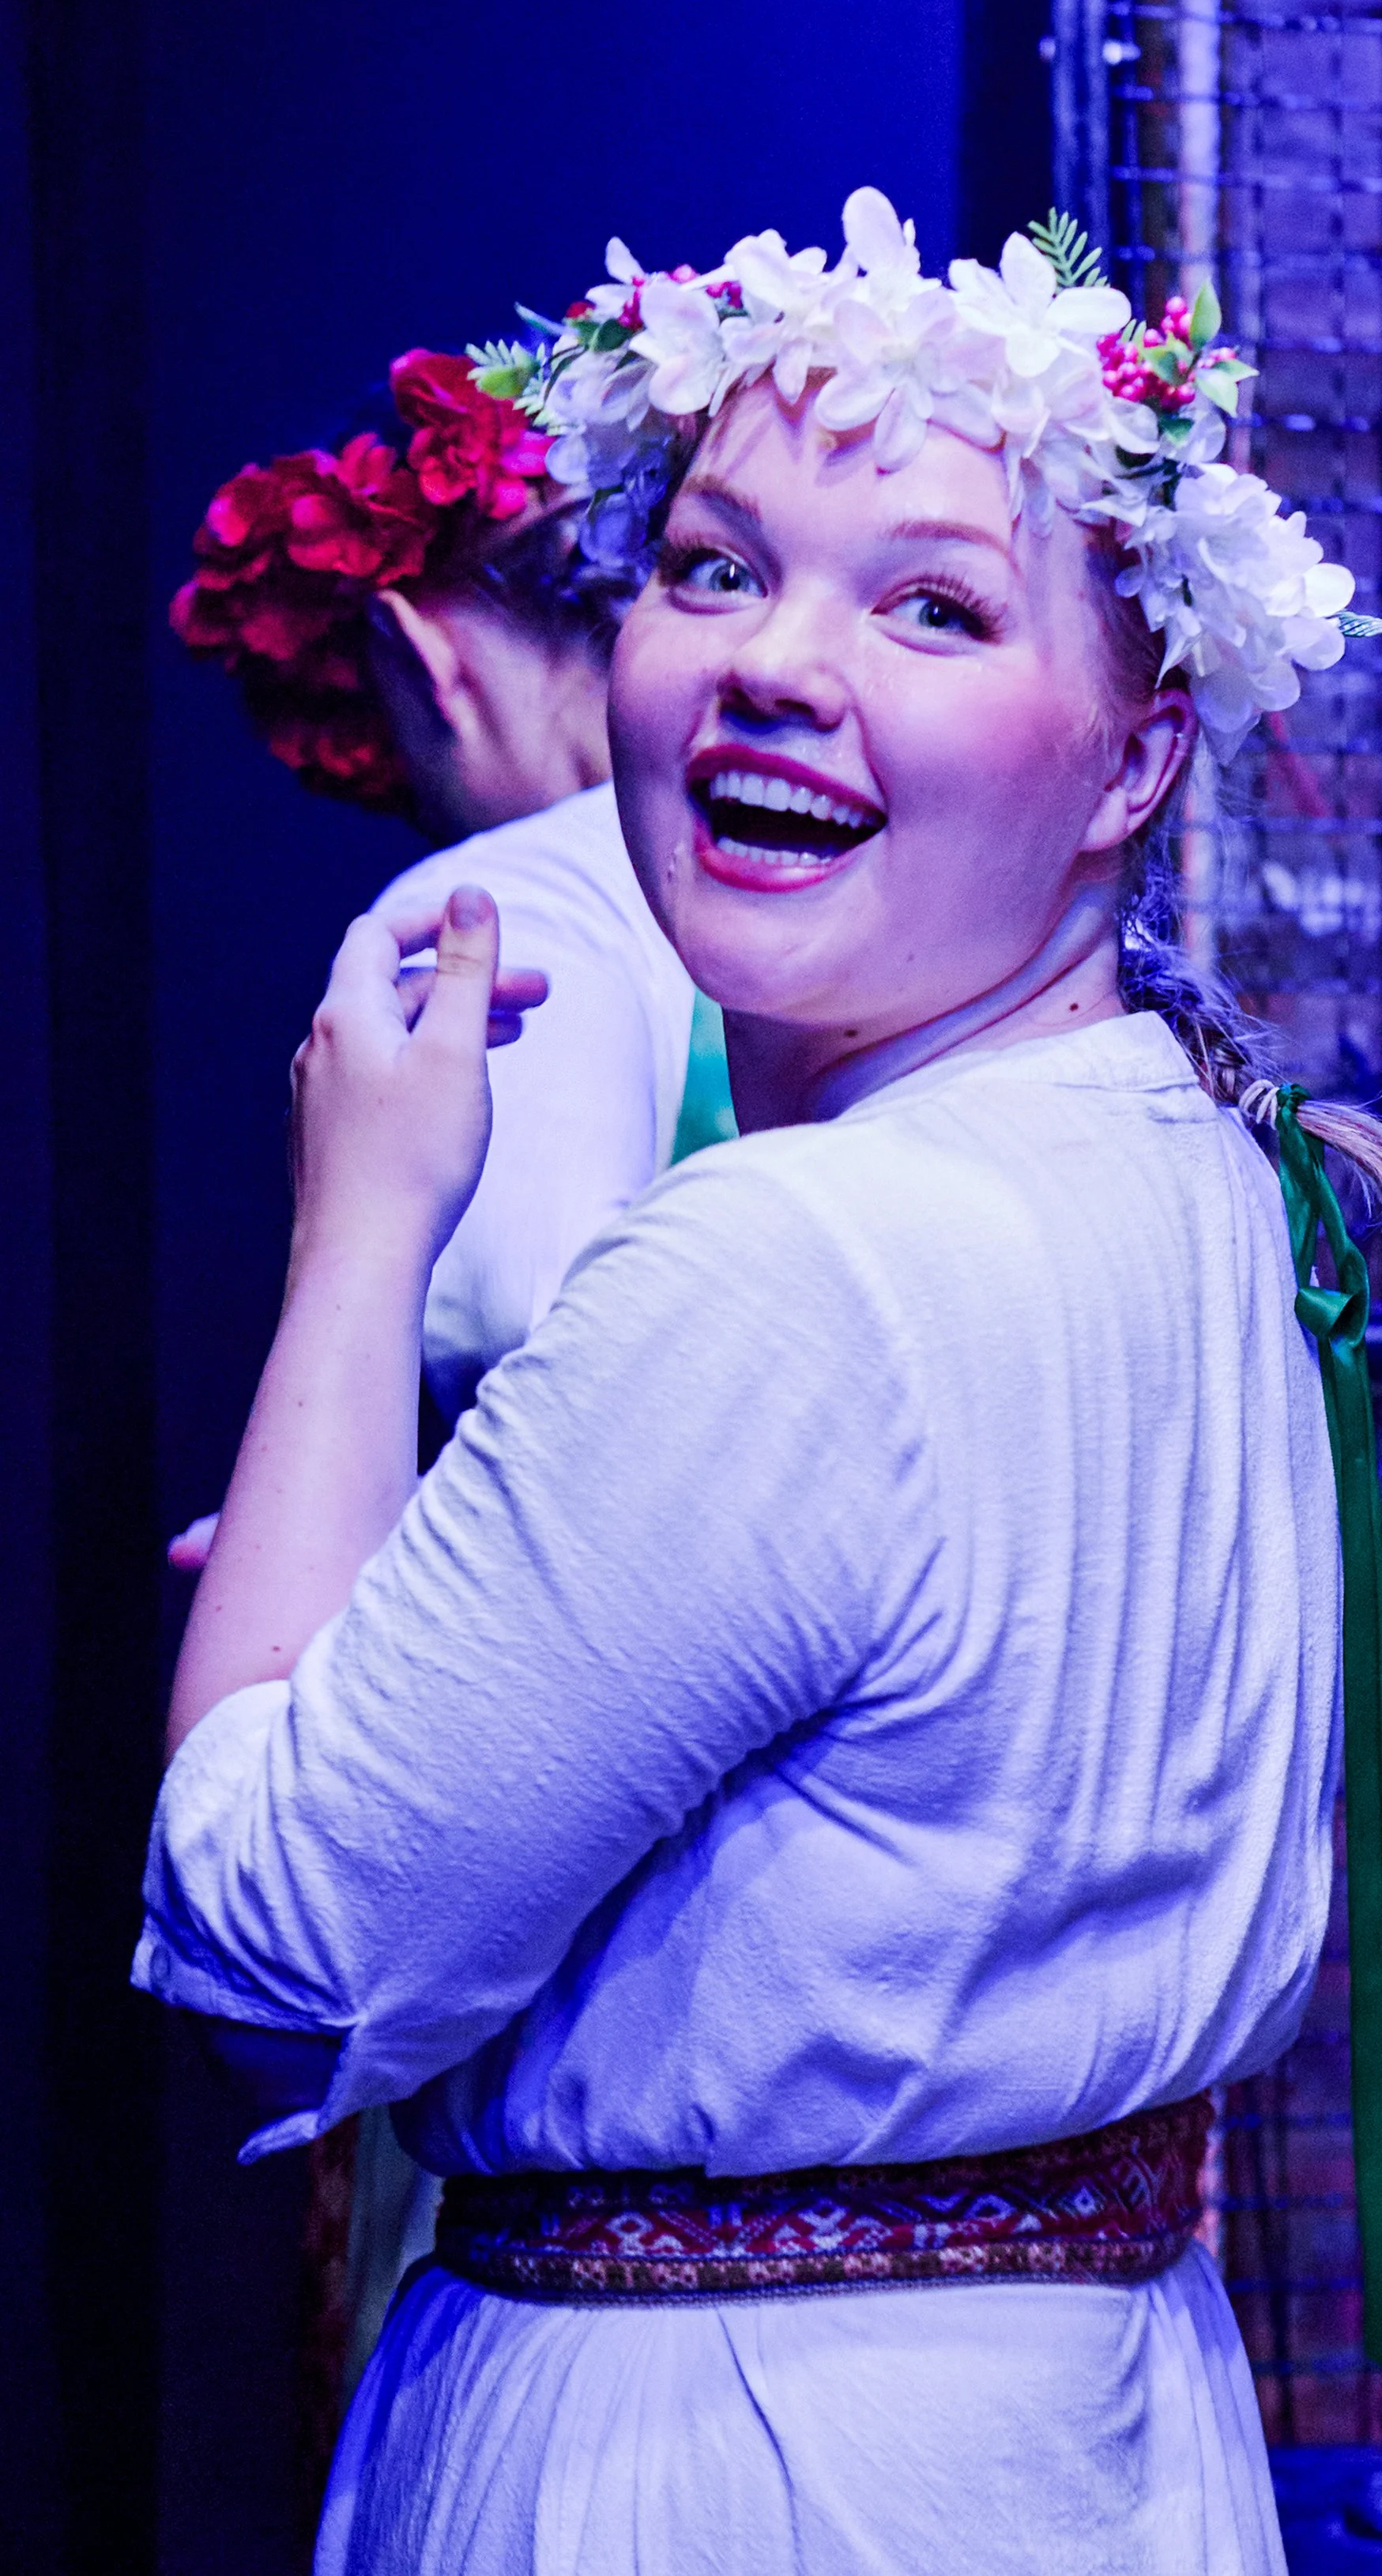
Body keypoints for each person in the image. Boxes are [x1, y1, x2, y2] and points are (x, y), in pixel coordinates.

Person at [137, 191, 1382, 2574]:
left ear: (1137, 759)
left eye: (932, 607)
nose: (773, 667)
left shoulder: (790, 1266)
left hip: (713, 2471)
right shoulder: (1218, 1170)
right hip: (1083, 2443)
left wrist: (361, 1231)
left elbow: (276, 1955)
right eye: (713, 568)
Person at [168, 349, 722, 2401]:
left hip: (571, 1907)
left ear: (415, 649)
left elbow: (557, 1366)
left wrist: (336, 1552)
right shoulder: (847, 917)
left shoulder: (483, 915)